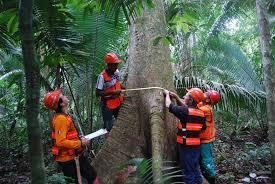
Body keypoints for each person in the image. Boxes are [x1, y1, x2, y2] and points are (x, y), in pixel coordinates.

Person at [44, 89, 100, 184]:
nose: (65, 96)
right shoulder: (60, 119)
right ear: (61, 104)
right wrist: (80, 143)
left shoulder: (63, 116)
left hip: (75, 156)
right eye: (62, 96)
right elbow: (60, 142)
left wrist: (79, 138)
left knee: (92, 175)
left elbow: (67, 136)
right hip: (68, 160)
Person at [164, 88, 206, 184]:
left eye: (186, 95)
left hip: (187, 148)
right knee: (195, 169)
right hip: (196, 147)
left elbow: (168, 105)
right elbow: (202, 128)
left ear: (190, 100)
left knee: (188, 172)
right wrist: (176, 97)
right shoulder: (201, 113)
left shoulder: (185, 111)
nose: (184, 96)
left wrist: (167, 94)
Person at [96, 53, 125, 134]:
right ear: (108, 65)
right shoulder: (102, 76)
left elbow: (118, 84)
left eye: (117, 64)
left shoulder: (116, 72)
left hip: (118, 103)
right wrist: (112, 92)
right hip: (107, 106)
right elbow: (98, 93)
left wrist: (124, 88)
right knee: (108, 128)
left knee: (121, 122)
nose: (116, 67)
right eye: (114, 65)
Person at [198, 90, 220, 184]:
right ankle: (205, 176)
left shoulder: (206, 109)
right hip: (201, 139)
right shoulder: (202, 104)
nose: (203, 94)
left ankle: (211, 179)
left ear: (208, 100)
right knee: (201, 160)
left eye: (205, 94)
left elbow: (190, 108)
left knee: (207, 160)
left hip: (206, 141)